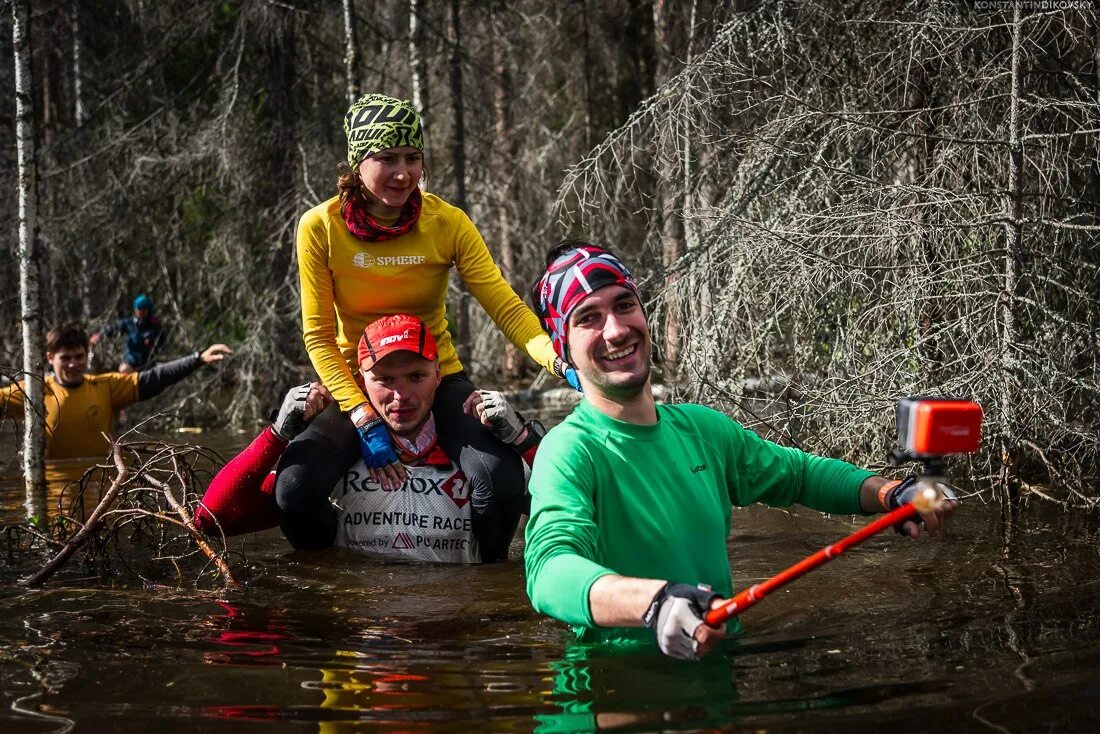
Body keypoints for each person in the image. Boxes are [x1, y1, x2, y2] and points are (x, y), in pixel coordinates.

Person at [522, 242, 958, 660]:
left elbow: (800, 475)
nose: (616, 330)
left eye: (624, 305)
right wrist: (656, 603)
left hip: (721, 667)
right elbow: (548, 571)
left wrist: (890, 495)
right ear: (564, 347)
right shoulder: (567, 450)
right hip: (615, 683)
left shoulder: (703, 430)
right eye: (588, 318)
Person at [282, 93, 575, 550]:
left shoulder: (447, 222)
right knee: (295, 489)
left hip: (433, 377)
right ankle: (328, 592)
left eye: (413, 158)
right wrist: (362, 416)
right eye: (387, 158)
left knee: (498, 480)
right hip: (354, 380)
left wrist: (559, 361)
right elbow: (318, 336)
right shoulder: (320, 226)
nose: (403, 173)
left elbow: (505, 307)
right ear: (358, 163)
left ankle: (483, 589)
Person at [196, 315, 544, 563]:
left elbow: (591, 511)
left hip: (455, 643)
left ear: (439, 375)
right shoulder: (332, 464)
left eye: (415, 376)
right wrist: (277, 434)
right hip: (365, 641)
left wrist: (522, 438)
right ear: (360, 383)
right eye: (384, 379)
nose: (400, 395)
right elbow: (212, 520)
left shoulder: (480, 458)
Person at [0, 323, 232, 460]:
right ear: (50, 358)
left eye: (79, 356)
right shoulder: (35, 391)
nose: (73, 364)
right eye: (65, 358)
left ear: (87, 354)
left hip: (97, 485)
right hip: (50, 490)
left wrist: (197, 359)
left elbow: (153, 378)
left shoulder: (105, 386)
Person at [90, 294, 166, 372]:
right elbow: (114, 328)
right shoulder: (129, 323)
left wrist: (152, 341)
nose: (141, 312)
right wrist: (101, 334)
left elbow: (162, 340)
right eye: (139, 309)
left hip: (148, 363)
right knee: (124, 370)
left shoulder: (154, 325)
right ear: (135, 310)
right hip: (131, 362)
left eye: (144, 310)